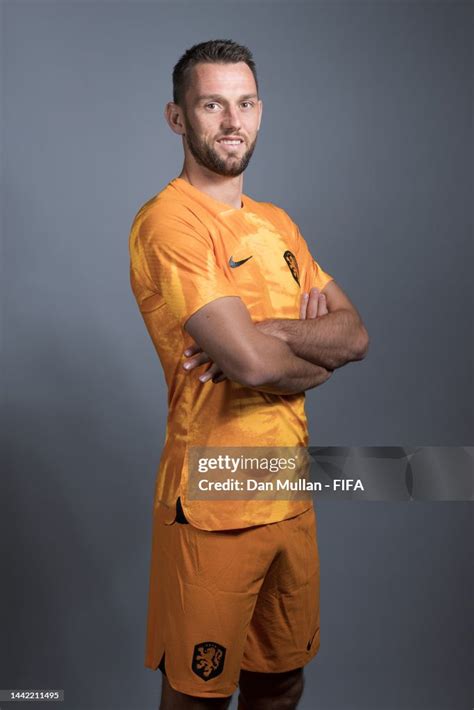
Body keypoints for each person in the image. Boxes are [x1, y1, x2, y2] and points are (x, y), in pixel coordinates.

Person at [129, 39, 369, 710]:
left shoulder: (278, 223)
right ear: (179, 118)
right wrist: (303, 355)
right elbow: (254, 364)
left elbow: (355, 335)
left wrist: (269, 332)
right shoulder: (169, 223)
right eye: (212, 105)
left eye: (245, 103)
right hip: (212, 497)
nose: (233, 121)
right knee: (198, 695)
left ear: (259, 111)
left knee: (282, 682)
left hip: (288, 489)